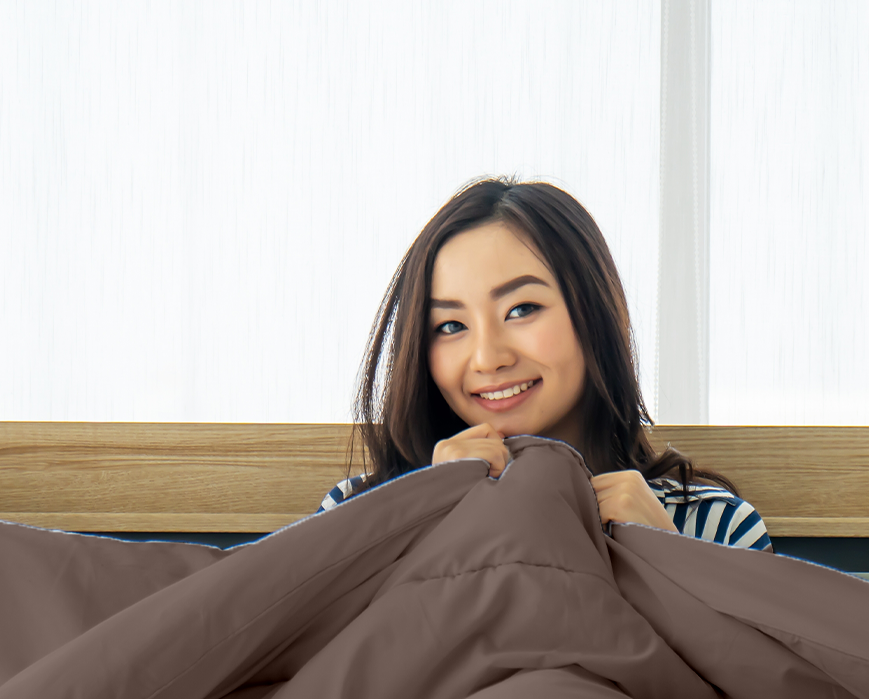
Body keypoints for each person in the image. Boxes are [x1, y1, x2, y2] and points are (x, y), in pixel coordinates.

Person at [317, 175, 773, 553]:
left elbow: (745, 665)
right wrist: (421, 517)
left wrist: (667, 557)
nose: (488, 358)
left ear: (593, 313)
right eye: (451, 326)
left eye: (521, 310)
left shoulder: (714, 527)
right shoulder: (360, 511)